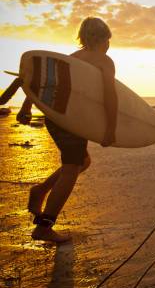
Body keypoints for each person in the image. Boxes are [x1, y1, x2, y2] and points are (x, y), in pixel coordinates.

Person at [17, 17, 118, 243]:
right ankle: (44, 226)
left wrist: (26, 106)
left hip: (56, 117)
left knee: (83, 162)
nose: (108, 45)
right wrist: (110, 128)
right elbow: (110, 96)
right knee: (72, 168)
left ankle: (41, 191)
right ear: (104, 38)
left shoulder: (70, 58)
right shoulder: (104, 61)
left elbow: (43, 84)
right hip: (74, 121)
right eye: (108, 40)